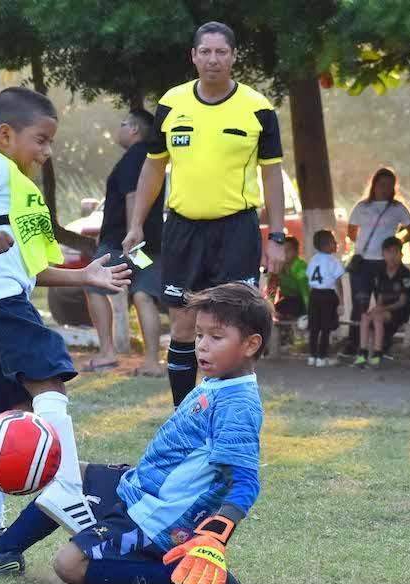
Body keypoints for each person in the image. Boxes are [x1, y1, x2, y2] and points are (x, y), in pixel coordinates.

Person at [0, 283, 269, 584]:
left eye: (216, 338)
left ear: (251, 345)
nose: (202, 346)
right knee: (65, 472)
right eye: (199, 335)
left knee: (69, 565)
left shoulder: (238, 405)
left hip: (154, 524)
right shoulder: (218, 383)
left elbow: (245, 482)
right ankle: (3, 554)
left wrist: (217, 534)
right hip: (136, 490)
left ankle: (177, 573)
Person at [0, 87, 132, 539]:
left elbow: (34, 270)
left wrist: (86, 277)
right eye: (41, 139)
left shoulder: (20, 190)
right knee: (50, 377)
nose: (47, 151)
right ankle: (64, 487)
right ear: (5, 135)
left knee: (23, 408)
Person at [124, 21, 288, 408]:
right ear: (193, 56)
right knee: (183, 325)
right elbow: (153, 167)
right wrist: (135, 225)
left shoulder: (258, 109)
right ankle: (184, 418)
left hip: (237, 230)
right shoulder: (172, 103)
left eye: (221, 52)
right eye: (205, 52)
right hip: (182, 229)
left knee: (234, 326)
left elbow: (272, 174)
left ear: (233, 57)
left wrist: (277, 236)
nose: (213, 59)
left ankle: (230, 414)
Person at [83, 109, 166, 377]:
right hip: (152, 240)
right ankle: (152, 362)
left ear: (133, 129)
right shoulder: (153, 158)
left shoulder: (134, 156)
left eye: (122, 124)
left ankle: (107, 352)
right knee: (144, 295)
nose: (118, 129)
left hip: (125, 240)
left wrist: (133, 232)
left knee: (92, 284)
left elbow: (132, 195)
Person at [339, 168, 410, 358]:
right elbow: (351, 231)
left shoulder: (398, 208)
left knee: (386, 304)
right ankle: (354, 344)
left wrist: (396, 244)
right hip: (363, 262)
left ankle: (383, 344)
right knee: (360, 304)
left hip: (386, 264)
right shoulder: (362, 207)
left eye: (389, 185)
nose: (385, 189)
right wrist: (363, 245)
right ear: (374, 185)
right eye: (382, 184)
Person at [354, 237, 410, 369]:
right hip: (384, 309)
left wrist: (381, 309)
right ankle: (362, 354)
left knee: (378, 316)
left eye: (396, 252)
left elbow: (402, 302)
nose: (392, 256)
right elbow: (379, 297)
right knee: (365, 316)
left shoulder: (405, 274)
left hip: (399, 311)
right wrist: (377, 308)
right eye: (389, 252)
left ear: (401, 254)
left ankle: (377, 354)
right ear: (383, 254)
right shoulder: (380, 272)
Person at [306, 230, 344, 367]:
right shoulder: (333, 261)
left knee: (314, 327)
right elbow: (338, 284)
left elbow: (309, 279)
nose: (336, 244)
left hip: (314, 295)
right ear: (328, 245)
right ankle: (322, 357)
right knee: (326, 328)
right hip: (328, 295)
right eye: (334, 242)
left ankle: (312, 356)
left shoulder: (313, 259)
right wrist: (341, 303)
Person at [272, 236, 309, 320]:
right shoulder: (277, 266)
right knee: (277, 309)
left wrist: (310, 313)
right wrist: (270, 310)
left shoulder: (300, 267)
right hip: (287, 300)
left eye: (288, 250)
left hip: (302, 301)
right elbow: (271, 290)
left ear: (296, 252)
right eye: (282, 250)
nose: (284, 253)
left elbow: (306, 293)